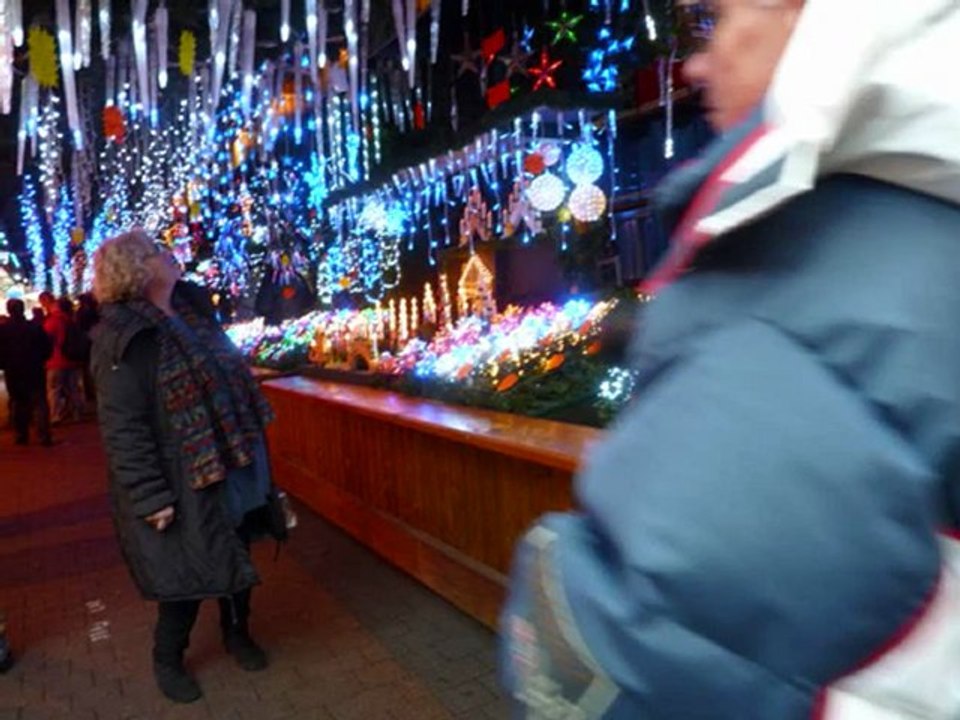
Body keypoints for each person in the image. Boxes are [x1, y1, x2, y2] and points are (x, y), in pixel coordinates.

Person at [500, 2, 960, 719]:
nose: (695, 66)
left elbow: (624, 661)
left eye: (718, 22)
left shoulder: (808, 271)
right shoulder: (913, 222)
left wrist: (544, 575)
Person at [90, 230, 277, 704]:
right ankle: (167, 658)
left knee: (236, 548)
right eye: (156, 251)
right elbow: (123, 428)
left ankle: (238, 632)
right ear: (137, 270)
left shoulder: (194, 310)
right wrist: (151, 496)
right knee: (187, 575)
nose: (169, 255)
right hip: (182, 473)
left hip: (230, 458)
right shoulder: (122, 338)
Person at [0, 299, 53, 446]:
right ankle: (43, 435)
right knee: (39, 402)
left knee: (18, 402)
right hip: (34, 368)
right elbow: (47, 348)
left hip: (14, 371)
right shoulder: (34, 328)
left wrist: (5, 364)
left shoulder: (4, 330)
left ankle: (21, 434)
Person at [39, 292, 83, 423]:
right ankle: (77, 413)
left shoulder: (53, 321)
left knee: (54, 390)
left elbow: (45, 339)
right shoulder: (70, 320)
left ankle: (55, 415)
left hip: (56, 360)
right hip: (72, 359)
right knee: (73, 388)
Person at [75, 292, 100, 407]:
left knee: (87, 369)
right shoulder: (96, 311)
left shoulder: (81, 313)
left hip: (85, 343)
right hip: (95, 341)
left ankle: (90, 392)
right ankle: (93, 391)